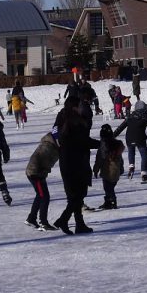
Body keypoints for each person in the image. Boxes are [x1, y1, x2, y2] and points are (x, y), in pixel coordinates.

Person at [51, 96, 100, 235]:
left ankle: (79, 224)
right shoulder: (75, 122)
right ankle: (63, 219)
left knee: (74, 195)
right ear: (74, 107)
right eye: (79, 106)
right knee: (78, 194)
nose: (81, 108)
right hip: (76, 162)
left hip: (66, 161)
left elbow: (55, 134)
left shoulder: (63, 118)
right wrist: (101, 144)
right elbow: (83, 141)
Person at [25, 132, 60, 231]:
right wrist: (38, 173)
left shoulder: (50, 144)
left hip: (37, 173)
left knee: (40, 195)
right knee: (44, 196)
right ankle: (43, 222)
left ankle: (31, 218)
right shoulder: (48, 146)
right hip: (35, 173)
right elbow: (38, 159)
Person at [93, 124, 125, 210]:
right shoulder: (116, 144)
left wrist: (95, 170)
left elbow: (99, 159)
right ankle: (108, 201)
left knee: (108, 187)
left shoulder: (103, 146)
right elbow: (121, 159)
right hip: (116, 170)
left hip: (107, 170)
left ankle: (112, 201)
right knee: (110, 186)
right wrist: (121, 169)